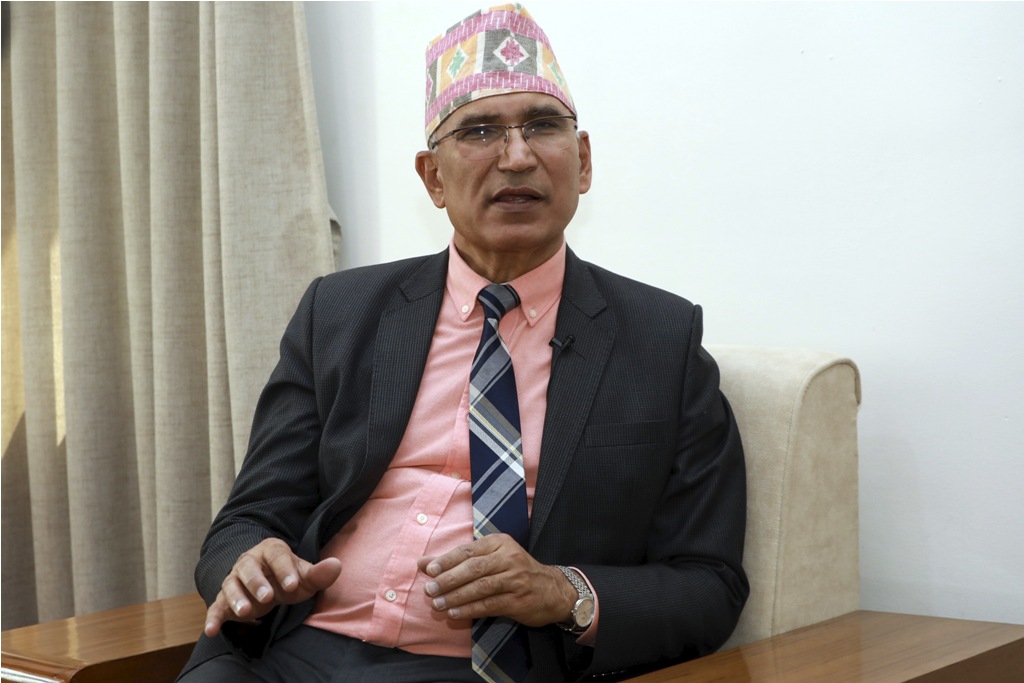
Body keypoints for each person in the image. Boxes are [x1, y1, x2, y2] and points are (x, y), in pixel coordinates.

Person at [177, 4, 748, 682]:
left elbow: (710, 584)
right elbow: (248, 516)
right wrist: (249, 560)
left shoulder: (662, 342)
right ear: (433, 178)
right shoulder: (340, 313)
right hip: (285, 655)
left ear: (583, 161)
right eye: (479, 131)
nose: (518, 156)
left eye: (543, 126)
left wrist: (562, 590)